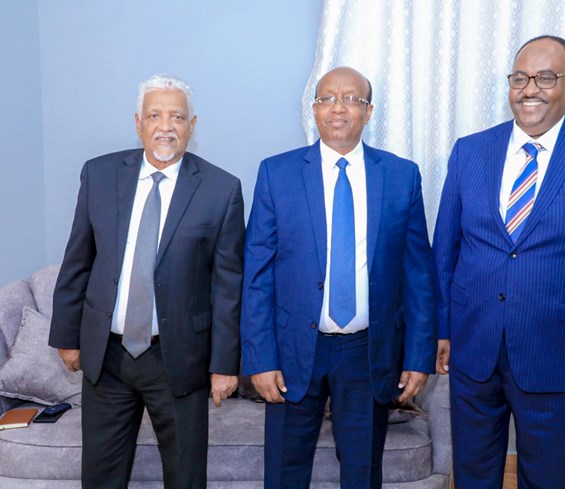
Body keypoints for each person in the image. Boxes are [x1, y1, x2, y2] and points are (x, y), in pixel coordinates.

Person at [433, 35, 565, 488]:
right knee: (471, 479)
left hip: (561, 360)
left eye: (546, 77)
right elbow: (445, 253)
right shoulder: (469, 151)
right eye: (520, 78)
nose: (530, 89)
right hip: (474, 355)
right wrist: (440, 329)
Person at [241, 66, 437, 488]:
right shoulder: (277, 173)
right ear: (314, 109)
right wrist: (260, 358)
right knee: (285, 471)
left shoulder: (401, 176)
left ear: (368, 112)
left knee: (362, 471)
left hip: (368, 350)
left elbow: (418, 274)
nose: (338, 108)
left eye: (351, 99)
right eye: (327, 98)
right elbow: (257, 274)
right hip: (293, 349)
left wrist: (419, 356)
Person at [49, 74, 245, 489]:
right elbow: (78, 260)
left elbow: (228, 286)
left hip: (179, 358)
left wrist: (224, 364)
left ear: (193, 125)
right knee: (101, 477)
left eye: (177, 117)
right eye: (155, 116)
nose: (166, 127)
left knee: (185, 477)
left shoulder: (221, 189)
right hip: (108, 357)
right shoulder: (100, 174)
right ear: (138, 122)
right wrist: (67, 337)